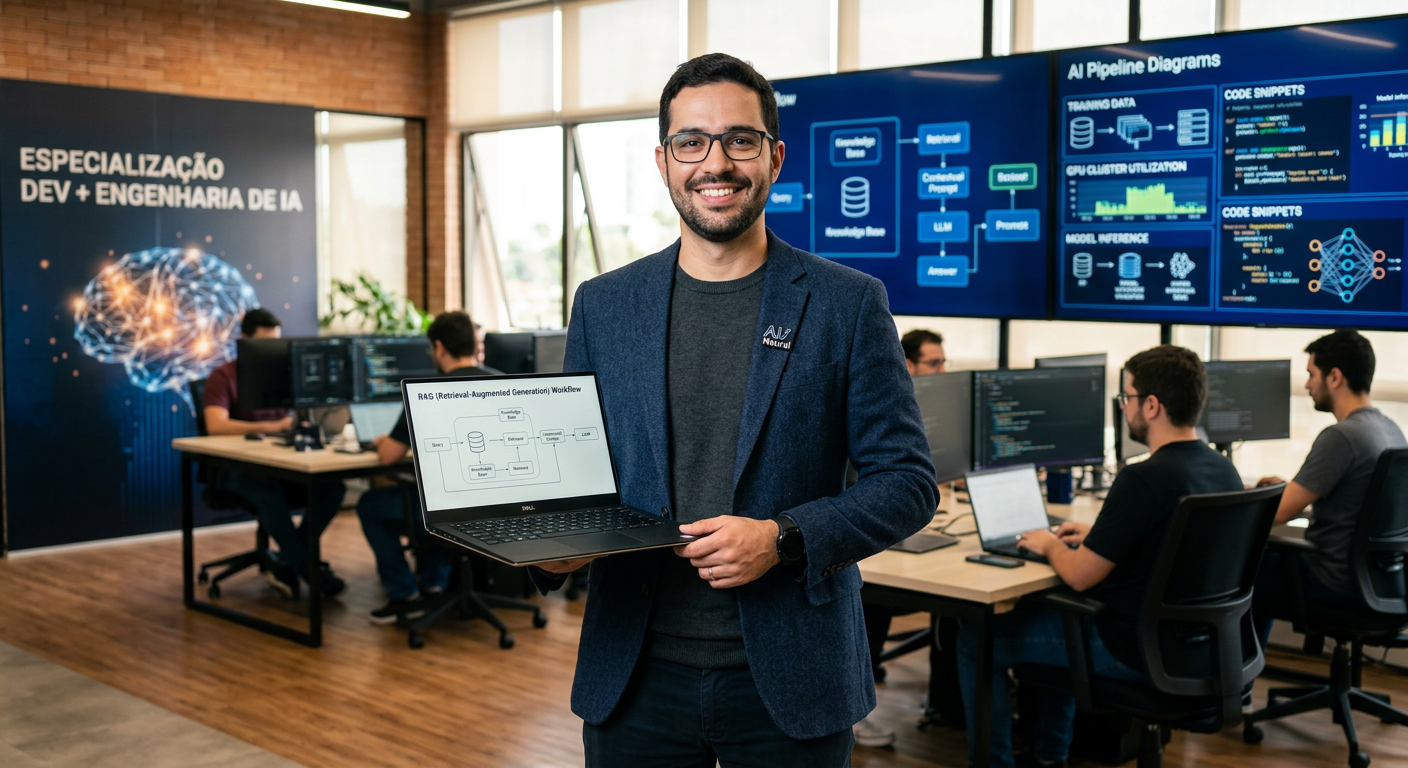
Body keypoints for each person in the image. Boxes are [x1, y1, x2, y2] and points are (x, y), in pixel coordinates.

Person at [527, 53, 937, 766]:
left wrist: (783, 537)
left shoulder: (847, 303)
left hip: (791, 679)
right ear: (663, 161)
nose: (715, 163)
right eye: (692, 142)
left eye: (740, 140)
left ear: (775, 156)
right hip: (632, 677)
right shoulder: (605, 304)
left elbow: (907, 482)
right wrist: (551, 550)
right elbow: (575, 473)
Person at [956, 345, 1243, 768]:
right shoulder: (1223, 470)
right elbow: (1174, 541)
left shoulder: (1143, 478)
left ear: (1151, 405)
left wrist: (1050, 543)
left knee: (976, 639)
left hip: (1132, 651)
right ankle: (1050, 756)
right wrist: (1102, 535)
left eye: (1126, 398)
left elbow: (1078, 576)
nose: (1124, 408)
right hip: (1201, 648)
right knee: (1056, 620)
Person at [1252, 329, 1406, 642]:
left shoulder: (1342, 437)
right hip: (1382, 584)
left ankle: (1235, 679)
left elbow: (1279, 513)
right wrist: (1293, 486)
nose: (1307, 384)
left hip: (1332, 584)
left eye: (1312, 374)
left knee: (1239, 571)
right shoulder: (1389, 430)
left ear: (1334, 377)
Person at [356, 311, 498, 623]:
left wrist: (381, 441)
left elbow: (390, 457)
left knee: (371, 505)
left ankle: (405, 593)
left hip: (446, 512)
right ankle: (436, 584)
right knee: (431, 495)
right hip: (497, 508)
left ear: (439, 348)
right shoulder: (500, 382)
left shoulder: (427, 392)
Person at [202, 308, 347, 598]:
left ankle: (290, 560)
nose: (272, 353)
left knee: (332, 489)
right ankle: (308, 570)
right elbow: (214, 425)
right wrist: (273, 426)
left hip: (278, 464)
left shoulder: (283, 375)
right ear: (244, 341)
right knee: (266, 491)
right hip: (234, 470)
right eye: (265, 345)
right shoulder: (224, 376)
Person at [855, 326, 949, 748]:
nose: (943, 371)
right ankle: (860, 701)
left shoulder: (931, 403)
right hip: (852, 527)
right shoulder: (874, 397)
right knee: (878, 592)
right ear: (908, 365)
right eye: (935, 363)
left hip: (895, 518)